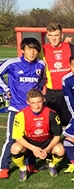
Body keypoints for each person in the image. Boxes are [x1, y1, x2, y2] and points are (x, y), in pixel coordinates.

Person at [0, 37, 47, 178]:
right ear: (22, 50)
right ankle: (3, 167)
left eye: (35, 50)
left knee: (32, 137)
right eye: (29, 49)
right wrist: (5, 89)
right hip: (16, 108)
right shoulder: (13, 63)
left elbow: (43, 80)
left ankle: (30, 164)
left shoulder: (40, 64)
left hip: (33, 110)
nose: (32, 53)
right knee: (12, 138)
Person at [10, 89, 64, 181]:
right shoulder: (20, 115)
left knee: (60, 150)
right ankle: (23, 168)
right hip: (29, 143)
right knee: (15, 148)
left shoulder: (52, 114)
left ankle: (51, 165)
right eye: (33, 103)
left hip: (47, 142)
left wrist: (47, 149)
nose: (36, 106)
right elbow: (18, 137)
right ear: (28, 102)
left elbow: (57, 136)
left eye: (39, 102)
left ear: (43, 100)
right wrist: (33, 148)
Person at [42, 22, 74, 125]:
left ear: (62, 35)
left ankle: (67, 141)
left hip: (67, 90)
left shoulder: (71, 48)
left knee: (68, 122)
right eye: (51, 35)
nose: (54, 38)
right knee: (50, 122)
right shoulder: (42, 50)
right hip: (51, 92)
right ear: (47, 36)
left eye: (56, 35)